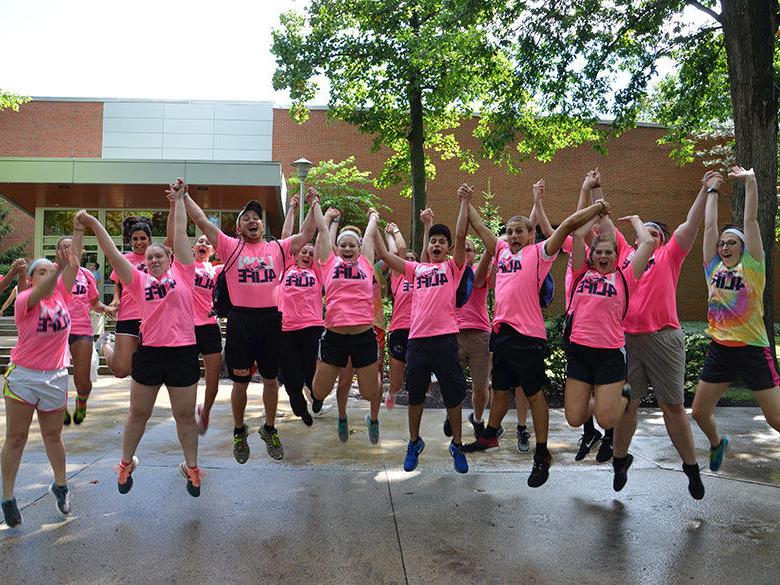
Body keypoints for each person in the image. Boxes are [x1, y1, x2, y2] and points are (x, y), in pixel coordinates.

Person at [463, 187, 609, 487]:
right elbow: (478, 227)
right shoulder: (501, 251)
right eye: (510, 231)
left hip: (527, 337)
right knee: (500, 390)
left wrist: (597, 209)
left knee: (533, 395)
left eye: (520, 231)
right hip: (501, 334)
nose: (514, 236)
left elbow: (567, 226)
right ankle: (490, 435)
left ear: (531, 235)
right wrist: (466, 200)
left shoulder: (538, 254)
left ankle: (542, 454)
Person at [77, 179, 203, 496]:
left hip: (183, 353)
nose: (154, 259)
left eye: (160, 255)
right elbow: (109, 250)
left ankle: (192, 467)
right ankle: (125, 462)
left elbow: (179, 232)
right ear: (144, 264)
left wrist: (179, 200)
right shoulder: (139, 282)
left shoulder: (185, 274)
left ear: (173, 260)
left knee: (185, 415)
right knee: (138, 413)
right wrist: (93, 223)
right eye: (149, 258)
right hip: (150, 353)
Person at [609, 171, 721, 499]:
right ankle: (619, 461)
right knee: (627, 405)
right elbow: (602, 226)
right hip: (628, 340)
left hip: (664, 340)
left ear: (663, 239)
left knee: (672, 406)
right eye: (648, 231)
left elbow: (691, 223)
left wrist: (704, 189)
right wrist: (595, 187)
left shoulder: (670, 255)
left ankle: (691, 470)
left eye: (657, 232)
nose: (651, 235)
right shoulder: (626, 257)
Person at [183, 187, 315, 463]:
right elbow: (202, 222)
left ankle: (269, 428)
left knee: (270, 381)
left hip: (270, 322)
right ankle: (239, 431)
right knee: (240, 383)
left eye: (257, 217)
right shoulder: (230, 247)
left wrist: (313, 204)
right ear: (238, 227)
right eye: (246, 218)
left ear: (262, 225)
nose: (253, 221)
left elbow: (305, 235)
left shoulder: (277, 248)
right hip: (240, 323)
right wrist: (184, 197)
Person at [373, 184, 473, 474]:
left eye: (442, 242)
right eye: (433, 242)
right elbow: (383, 252)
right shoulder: (416, 270)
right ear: (428, 247)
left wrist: (464, 203)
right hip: (417, 341)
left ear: (449, 248)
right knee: (415, 395)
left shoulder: (452, 269)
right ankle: (414, 442)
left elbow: (463, 234)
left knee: (452, 397)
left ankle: (457, 443)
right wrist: (374, 223)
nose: (437, 245)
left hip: (444, 340)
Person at [692, 166, 780, 471]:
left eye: (732, 242)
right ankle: (718, 443)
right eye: (723, 243)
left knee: (776, 419)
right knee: (700, 412)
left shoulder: (753, 267)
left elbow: (751, 221)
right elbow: (710, 226)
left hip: (753, 349)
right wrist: (712, 190)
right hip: (720, 349)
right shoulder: (712, 268)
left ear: (743, 248)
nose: (725, 246)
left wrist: (752, 181)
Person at [564, 212, 654, 486]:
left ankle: (624, 394)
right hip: (580, 352)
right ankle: (610, 396)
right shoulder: (582, 272)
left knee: (606, 418)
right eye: (598, 252)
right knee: (574, 418)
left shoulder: (626, 276)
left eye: (608, 252)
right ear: (591, 256)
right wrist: (595, 213)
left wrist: (637, 220)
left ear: (616, 256)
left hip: (610, 355)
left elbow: (648, 244)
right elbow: (578, 234)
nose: (603, 256)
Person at [1, 231, 80, 527]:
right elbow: (54, 275)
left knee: (53, 436)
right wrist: (57, 267)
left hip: (56, 376)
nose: (48, 275)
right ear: (32, 279)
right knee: (17, 438)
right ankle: (7, 498)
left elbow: (71, 265)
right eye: (41, 271)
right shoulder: (25, 300)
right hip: (23, 377)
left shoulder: (62, 296)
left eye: (50, 269)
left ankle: (60, 486)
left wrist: (80, 229)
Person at [311, 203, 382, 444]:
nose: (348, 248)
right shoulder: (328, 264)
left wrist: (373, 216)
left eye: (352, 245)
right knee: (319, 392)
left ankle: (372, 417)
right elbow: (321, 231)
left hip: (363, 336)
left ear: (359, 248)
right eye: (343, 245)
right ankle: (339, 415)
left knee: (369, 392)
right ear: (337, 248)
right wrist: (321, 209)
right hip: (335, 337)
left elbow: (370, 234)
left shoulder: (366, 264)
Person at [278, 205, 328, 426]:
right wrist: (291, 208)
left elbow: (319, 243)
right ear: (295, 255)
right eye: (303, 252)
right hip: (286, 328)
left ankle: (316, 398)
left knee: (311, 369)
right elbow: (287, 237)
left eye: (309, 253)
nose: (307, 255)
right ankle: (300, 406)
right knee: (292, 373)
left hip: (311, 326)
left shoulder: (316, 271)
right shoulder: (286, 267)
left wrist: (322, 215)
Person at [57, 237, 114, 425]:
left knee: (84, 375)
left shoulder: (86, 275)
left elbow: (94, 303)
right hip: (55, 329)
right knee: (57, 373)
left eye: (70, 246)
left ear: (78, 251)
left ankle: (81, 402)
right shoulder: (50, 273)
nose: (67, 250)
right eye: (63, 247)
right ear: (58, 251)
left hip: (81, 327)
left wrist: (105, 308)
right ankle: (60, 406)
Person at [97, 216, 154, 378]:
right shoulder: (124, 259)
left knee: (146, 369)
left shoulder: (156, 257)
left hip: (152, 317)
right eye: (134, 239)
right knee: (121, 371)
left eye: (143, 238)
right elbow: (118, 284)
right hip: (128, 315)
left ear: (150, 239)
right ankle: (106, 343)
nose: (139, 242)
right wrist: (115, 301)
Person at [187, 233, 223, 434]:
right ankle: (187, 414)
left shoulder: (215, 270)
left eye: (207, 243)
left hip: (210, 327)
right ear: (193, 248)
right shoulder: (184, 266)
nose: (203, 244)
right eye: (200, 241)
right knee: (188, 377)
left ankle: (205, 412)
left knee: (213, 380)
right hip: (187, 328)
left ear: (212, 250)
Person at [384, 223, 416, 409]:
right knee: (396, 379)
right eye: (407, 258)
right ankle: (392, 393)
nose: (408, 260)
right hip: (399, 329)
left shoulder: (421, 274)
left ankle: (418, 401)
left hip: (419, 330)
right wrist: (390, 233)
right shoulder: (397, 276)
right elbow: (397, 251)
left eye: (412, 259)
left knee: (417, 373)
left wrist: (394, 230)